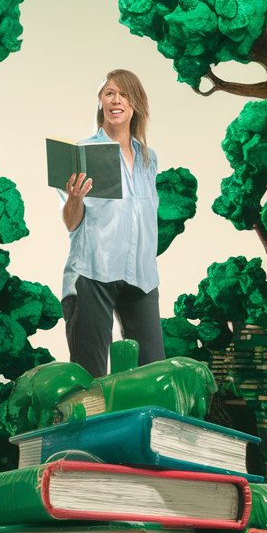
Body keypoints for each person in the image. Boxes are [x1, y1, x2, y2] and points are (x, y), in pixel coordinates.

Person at [60, 69, 165, 379]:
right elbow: (71, 223)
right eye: (109, 93)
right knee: (90, 379)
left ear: (135, 104)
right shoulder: (84, 153)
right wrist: (74, 198)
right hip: (93, 274)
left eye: (123, 93)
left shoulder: (149, 159)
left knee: (153, 375)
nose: (116, 99)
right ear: (101, 102)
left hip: (141, 276)